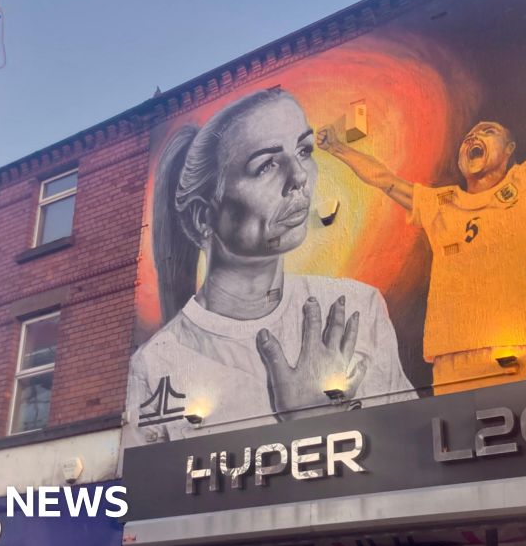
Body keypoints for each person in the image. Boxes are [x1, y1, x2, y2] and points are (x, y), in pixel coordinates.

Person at [316, 3, 526, 395]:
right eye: (469, 137)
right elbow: (384, 180)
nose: (473, 138)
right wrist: (338, 148)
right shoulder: (439, 202)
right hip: (450, 356)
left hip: (516, 350)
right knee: (456, 433)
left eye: (487, 132)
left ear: (509, 152)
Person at [127, 88, 416, 446]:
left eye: (304, 151)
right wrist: (309, 425)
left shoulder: (358, 308)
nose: (300, 177)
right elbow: (148, 480)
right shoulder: (155, 364)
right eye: (265, 165)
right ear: (203, 216)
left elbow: (414, 448)